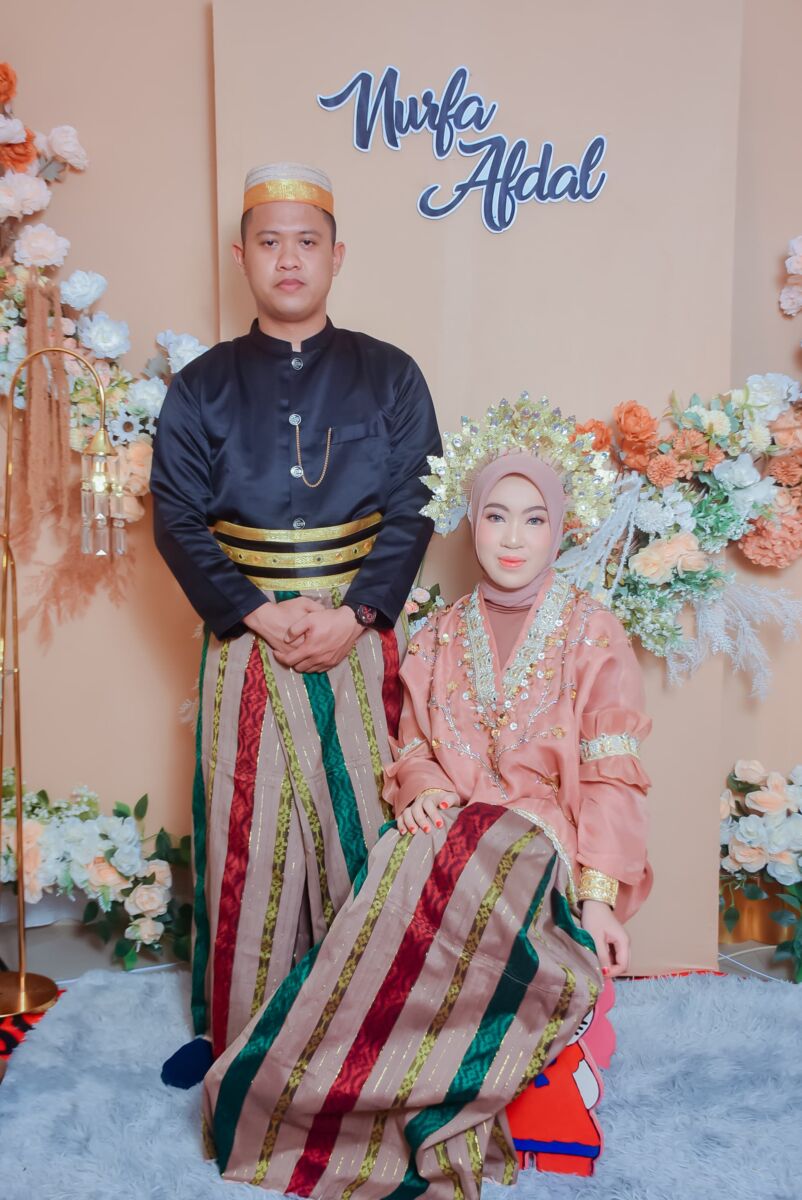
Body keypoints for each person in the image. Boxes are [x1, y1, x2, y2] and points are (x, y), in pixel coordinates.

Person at [200, 426, 652, 1197]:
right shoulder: (440, 631)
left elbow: (613, 776)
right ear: (472, 523)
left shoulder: (592, 633)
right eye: (497, 516)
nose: (514, 538)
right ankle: (299, 1101)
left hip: (537, 840)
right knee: (390, 877)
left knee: (457, 868)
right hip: (449, 826)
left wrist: (600, 898)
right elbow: (409, 746)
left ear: (561, 527)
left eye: (534, 518)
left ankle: (404, 1101)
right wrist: (424, 788)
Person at [150, 163, 441, 1083]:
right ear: (241, 255)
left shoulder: (391, 374)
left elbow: (416, 505)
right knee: (247, 829)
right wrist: (256, 613)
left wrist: (358, 614)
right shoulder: (200, 385)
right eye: (269, 241)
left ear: (336, 256)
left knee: (369, 819)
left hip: (360, 631)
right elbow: (175, 517)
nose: (288, 259)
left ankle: (371, 1032)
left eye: (306, 242)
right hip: (247, 635)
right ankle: (235, 1034)